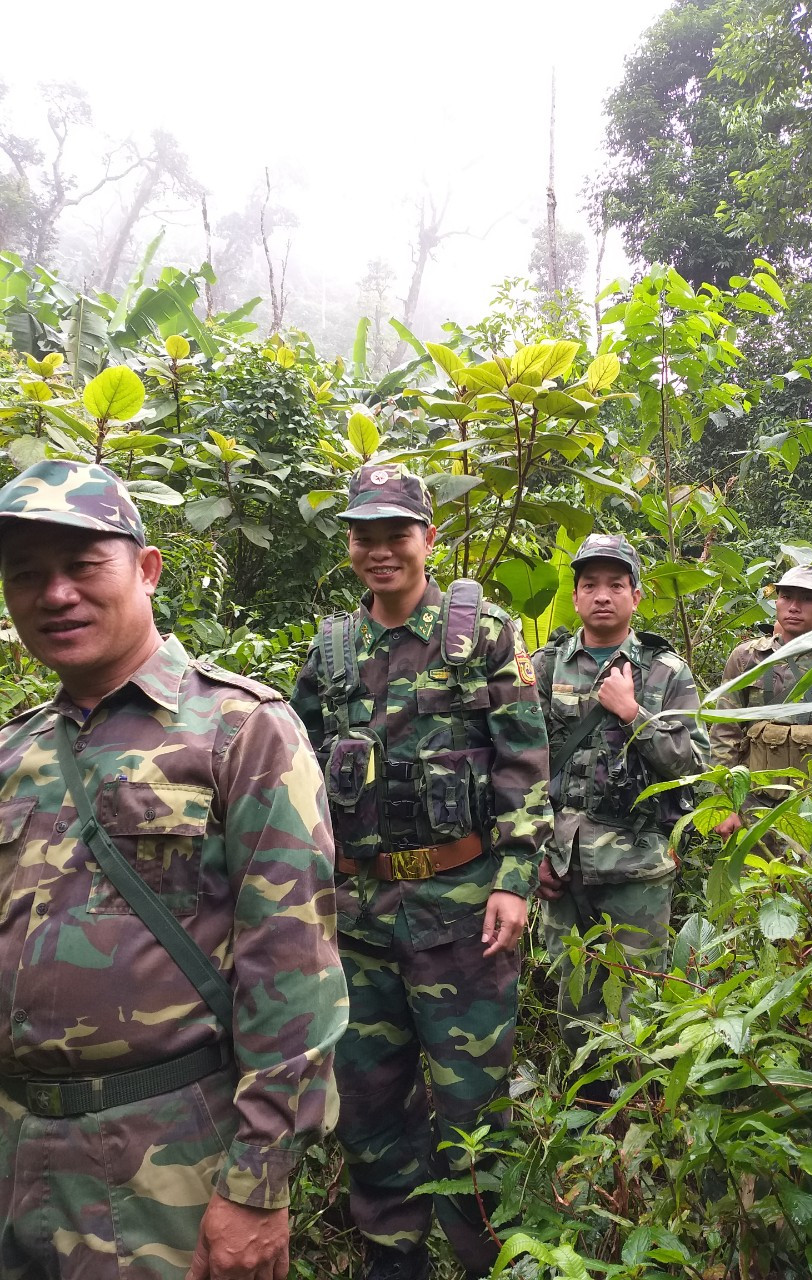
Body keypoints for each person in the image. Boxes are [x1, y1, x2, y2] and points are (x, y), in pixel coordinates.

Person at [0, 459, 348, 1280]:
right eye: (26, 576)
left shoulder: (241, 731)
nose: (55, 595)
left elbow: (293, 965)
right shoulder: (13, 749)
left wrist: (259, 1185)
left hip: (168, 1155)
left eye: (84, 567)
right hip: (18, 1153)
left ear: (147, 570)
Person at [291, 462, 550, 1280]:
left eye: (395, 534)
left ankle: (485, 1259)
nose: (380, 551)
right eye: (364, 536)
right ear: (349, 545)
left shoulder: (483, 636)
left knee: (473, 1110)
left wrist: (514, 877)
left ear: (427, 539)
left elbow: (525, 763)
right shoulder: (332, 649)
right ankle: (392, 1259)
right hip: (357, 918)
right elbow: (291, 773)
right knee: (367, 1107)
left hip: (463, 913)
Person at [532, 534, 708, 1092]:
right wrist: (531, 850)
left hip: (639, 866)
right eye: (590, 585)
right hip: (563, 864)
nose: (601, 596)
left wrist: (633, 714)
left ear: (636, 595)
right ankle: (581, 1117)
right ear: (576, 596)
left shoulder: (665, 672)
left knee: (635, 995)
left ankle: (636, 1114)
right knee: (572, 991)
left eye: (615, 585)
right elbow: (519, 766)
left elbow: (694, 764)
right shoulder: (544, 667)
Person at [710, 564, 812, 838]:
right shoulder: (746, 658)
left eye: (807, 599)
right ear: (777, 601)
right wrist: (726, 803)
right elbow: (725, 733)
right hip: (752, 808)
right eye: (787, 597)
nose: (794, 606)